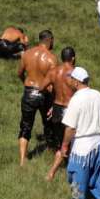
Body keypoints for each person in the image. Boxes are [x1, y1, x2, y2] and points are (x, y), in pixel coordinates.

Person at [58, 67, 100, 199]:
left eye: (71, 78)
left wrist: (64, 146)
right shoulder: (98, 95)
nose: (69, 81)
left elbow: (70, 128)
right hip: (98, 144)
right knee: (99, 176)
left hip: (82, 149)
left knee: (76, 178)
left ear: (76, 82)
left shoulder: (76, 99)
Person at [17, 30, 57, 166]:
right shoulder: (51, 58)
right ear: (50, 40)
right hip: (44, 93)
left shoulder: (27, 54)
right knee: (49, 124)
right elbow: (54, 82)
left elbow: (19, 73)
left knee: (25, 126)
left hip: (29, 92)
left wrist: (26, 84)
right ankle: (52, 151)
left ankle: (22, 160)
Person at [43, 47, 76, 181]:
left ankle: (62, 167)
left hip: (57, 108)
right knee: (70, 143)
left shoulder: (53, 72)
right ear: (73, 58)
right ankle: (53, 172)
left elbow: (41, 87)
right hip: (71, 109)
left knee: (61, 143)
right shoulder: (75, 74)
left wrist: (53, 97)